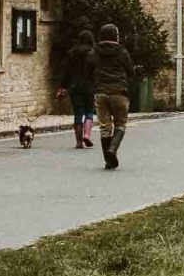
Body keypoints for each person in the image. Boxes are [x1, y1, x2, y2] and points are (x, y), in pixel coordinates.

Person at [87, 23, 138, 170]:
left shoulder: (94, 52)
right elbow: (130, 71)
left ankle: (108, 160)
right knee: (121, 124)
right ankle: (112, 150)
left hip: (101, 92)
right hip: (119, 92)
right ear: (115, 36)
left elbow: (88, 71)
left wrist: (95, 85)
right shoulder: (122, 52)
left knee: (105, 127)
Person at [57, 35, 96, 149]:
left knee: (78, 112)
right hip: (89, 87)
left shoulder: (72, 54)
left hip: (75, 87)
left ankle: (79, 142)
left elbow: (67, 72)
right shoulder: (93, 54)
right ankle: (87, 135)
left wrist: (63, 87)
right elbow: (96, 72)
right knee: (89, 111)